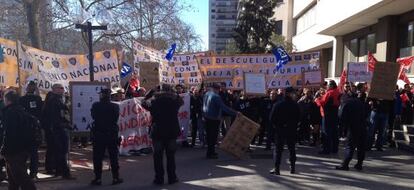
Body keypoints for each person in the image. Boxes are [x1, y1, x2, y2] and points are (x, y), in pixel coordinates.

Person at [142, 84, 183, 185]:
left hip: (158, 132)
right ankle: (172, 178)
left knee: (158, 157)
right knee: (170, 156)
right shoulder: (174, 102)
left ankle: (159, 179)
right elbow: (181, 100)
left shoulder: (154, 102)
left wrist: (151, 91)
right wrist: (174, 92)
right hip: (171, 132)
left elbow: (143, 102)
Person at [1, 91, 37, 190]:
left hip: (14, 150)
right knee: (13, 178)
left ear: (7, 100)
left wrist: (4, 149)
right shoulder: (21, 110)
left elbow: (9, 133)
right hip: (23, 148)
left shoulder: (10, 112)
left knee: (20, 176)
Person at [90, 88, 123, 185]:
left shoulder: (96, 105)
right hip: (112, 134)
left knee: (97, 157)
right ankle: (115, 177)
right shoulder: (114, 106)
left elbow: (93, 116)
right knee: (113, 157)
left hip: (99, 134)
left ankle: (98, 178)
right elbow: (116, 118)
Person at [42, 84, 74, 179]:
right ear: (55, 89)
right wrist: (64, 124)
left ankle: (59, 171)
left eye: (62, 88)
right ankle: (63, 172)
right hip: (56, 129)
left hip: (57, 128)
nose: (62, 90)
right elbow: (55, 117)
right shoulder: (53, 100)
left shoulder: (58, 99)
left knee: (58, 151)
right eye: (60, 88)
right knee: (60, 151)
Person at [269, 87, 301, 175]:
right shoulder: (295, 105)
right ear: (290, 94)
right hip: (291, 130)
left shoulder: (278, 104)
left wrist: (276, 126)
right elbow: (298, 118)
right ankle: (292, 167)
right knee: (291, 149)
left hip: (280, 129)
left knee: (278, 150)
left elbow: (272, 119)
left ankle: (277, 169)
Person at [203, 83, 237, 159]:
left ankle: (210, 151)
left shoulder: (207, 94)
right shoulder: (216, 96)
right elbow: (224, 107)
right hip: (214, 118)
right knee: (213, 136)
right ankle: (211, 153)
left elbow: (204, 105)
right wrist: (235, 113)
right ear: (217, 89)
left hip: (207, 117)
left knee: (209, 136)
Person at [336, 92, 367, 171]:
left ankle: (345, 164)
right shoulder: (362, 103)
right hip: (362, 126)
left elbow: (342, 116)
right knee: (361, 146)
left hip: (353, 127)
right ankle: (359, 164)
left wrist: (342, 128)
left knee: (350, 146)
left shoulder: (347, 103)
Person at [19, 81, 43, 179]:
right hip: (32, 129)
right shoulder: (26, 99)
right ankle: (32, 172)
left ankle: (29, 172)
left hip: (28, 129)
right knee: (32, 153)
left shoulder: (34, 99)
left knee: (28, 153)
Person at [315, 80, 341, 154]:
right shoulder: (337, 92)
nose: (326, 86)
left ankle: (326, 149)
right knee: (334, 132)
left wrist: (317, 100)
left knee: (326, 132)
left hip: (327, 114)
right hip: (334, 114)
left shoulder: (330, 93)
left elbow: (322, 102)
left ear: (331, 86)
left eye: (328, 85)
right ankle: (334, 148)